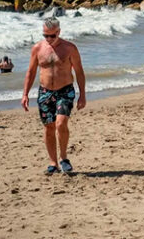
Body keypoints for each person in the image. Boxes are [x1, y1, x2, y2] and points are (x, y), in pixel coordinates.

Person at [22, 17, 86, 175]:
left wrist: (82, 95)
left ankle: (64, 158)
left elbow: (79, 71)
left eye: (52, 36)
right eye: (45, 35)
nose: (49, 39)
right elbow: (30, 72)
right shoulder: (37, 48)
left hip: (65, 90)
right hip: (45, 92)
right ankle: (53, 162)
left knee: (60, 123)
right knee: (49, 127)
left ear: (59, 32)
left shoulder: (70, 48)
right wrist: (25, 94)